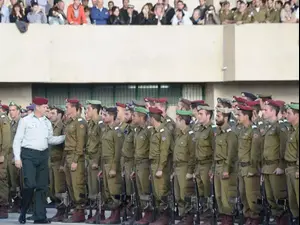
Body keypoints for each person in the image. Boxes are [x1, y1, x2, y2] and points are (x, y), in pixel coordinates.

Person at [13, 97, 65, 224]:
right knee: (30, 185)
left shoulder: (47, 122)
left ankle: (40, 216)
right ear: (37, 107)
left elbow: (50, 139)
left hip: (43, 155)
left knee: (42, 187)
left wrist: (65, 137)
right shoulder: (25, 121)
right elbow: (17, 140)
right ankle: (24, 211)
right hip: (28, 155)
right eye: (45, 107)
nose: (47, 109)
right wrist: (17, 158)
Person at [261, 100, 288, 225]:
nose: (263, 112)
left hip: (276, 166)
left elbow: (283, 147)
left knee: (279, 198)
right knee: (270, 198)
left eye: (266, 110)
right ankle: (277, 220)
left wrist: (281, 166)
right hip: (267, 167)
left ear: (273, 111)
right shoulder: (269, 127)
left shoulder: (280, 127)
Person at [236, 104, 262, 225]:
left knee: (252, 196)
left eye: (239, 115)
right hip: (241, 168)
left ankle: (255, 218)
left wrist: (252, 168)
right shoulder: (242, 130)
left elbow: (255, 152)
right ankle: (247, 217)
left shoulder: (254, 130)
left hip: (249, 168)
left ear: (246, 116)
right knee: (243, 194)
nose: (237, 117)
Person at [212, 107, 238, 225]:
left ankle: (228, 218)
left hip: (225, 167)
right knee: (218, 195)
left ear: (226, 117)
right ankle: (223, 216)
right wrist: (213, 168)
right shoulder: (218, 132)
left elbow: (231, 153)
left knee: (226, 195)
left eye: (219, 116)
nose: (216, 118)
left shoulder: (230, 133)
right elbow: (215, 152)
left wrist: (226, 169)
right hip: (217, 166)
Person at [63, 98, 87, 223]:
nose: (66, 109)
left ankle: (80, 210)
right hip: (68, 155)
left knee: (77, 184)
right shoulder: (69, 122)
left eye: (67, 107)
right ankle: (75, 208)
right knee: (70, 184)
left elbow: (81, 142)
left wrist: (76, 160)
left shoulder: (80, 122)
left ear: (73, 107)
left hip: (75, 156)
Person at [148, 107, 172, 225]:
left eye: (149, 117)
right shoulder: (154, 131)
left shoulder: (164, 132)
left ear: (152, 118)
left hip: (160, 165)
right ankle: (159, 215)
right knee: (156, 192)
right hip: (153, 164)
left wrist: (160, 168)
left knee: (162, 191)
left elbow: (164, 152)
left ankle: (164, 216)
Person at [100, 107, 124, 224]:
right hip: (105, 164)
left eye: (106, 115)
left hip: (112, 163)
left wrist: (114, 168)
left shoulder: (116, 131)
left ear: (111, 116)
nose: (104, 117)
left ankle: (116, 215)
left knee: (114, 189)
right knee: (107, 190)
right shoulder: (106, 130)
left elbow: (118, 151)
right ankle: (112, 214)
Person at [173, 109, 195, 224]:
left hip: (185, 167)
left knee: (185, 194)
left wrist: (190, 171)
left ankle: (189, 216)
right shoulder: (179, 135)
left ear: (183, 121)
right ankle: (183, 216)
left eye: (177, 119)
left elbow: (192, 154)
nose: (176, 122)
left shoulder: (190, 135)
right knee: (178, 195)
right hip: (177, 168)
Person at [84, 100, 105, 223]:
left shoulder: (100, 124)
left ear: (95, 110)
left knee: (97, 188)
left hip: (96, 161)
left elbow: (101, 145)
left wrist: (96, 160)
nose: (87, 111)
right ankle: (95, 211)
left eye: (89, 109)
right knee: (91, 188)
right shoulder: (91, 124)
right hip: (90, 159)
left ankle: (100, 212)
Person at [194, 105, 215, 225]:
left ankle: (209, 217)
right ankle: (204, 214)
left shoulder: (212, 130)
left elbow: (214, 150)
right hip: (198, 165)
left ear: (208, 115)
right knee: (201, 193)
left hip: (207, 164)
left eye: (201, 114)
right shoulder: (198, 129)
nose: (198, 116)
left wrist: (212, 168)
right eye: (198, 113)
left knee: (208, 192)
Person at [48, 105, 67, 222]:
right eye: (49, 113)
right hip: (51, 161)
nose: (50, 115)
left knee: (60, 189)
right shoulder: (50, 126)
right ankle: (59, 210)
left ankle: (62, 211)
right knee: (53, 189)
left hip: (59, 161)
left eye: (53, 113)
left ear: (60, 115)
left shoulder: (63, 127)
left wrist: (63, 164)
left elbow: (66, 147)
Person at [284, 103, 299, 224]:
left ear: (297, 115)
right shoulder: (291, 130)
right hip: (289, 168)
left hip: (296, 168)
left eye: (289, 113)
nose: (286, 115)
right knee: (292, 200)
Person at [8, 102, 22, 213]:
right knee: (13, 182)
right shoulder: (11, 123)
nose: (11, 112)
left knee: (20, 181)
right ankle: (16, 202)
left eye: (13, 110)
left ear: (18, 111)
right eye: (10, 110)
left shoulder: (22, 123)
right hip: (11, 156)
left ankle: (24, 204)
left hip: (19, 156)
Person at [0, 104, 11, 218]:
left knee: (1, 179)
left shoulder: (3, 118)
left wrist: (3, 153)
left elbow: (7, 138)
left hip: (0, 154)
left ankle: (3, 206)